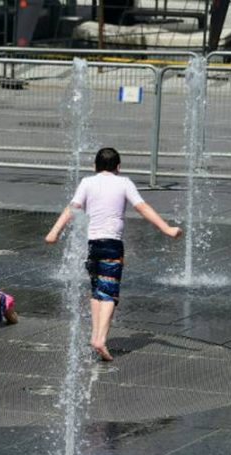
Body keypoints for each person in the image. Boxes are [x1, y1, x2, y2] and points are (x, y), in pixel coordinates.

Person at [45, 147, 182, 361]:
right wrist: (167, 229)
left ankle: (95, 336)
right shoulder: (124, 182)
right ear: (118, 167)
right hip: (112, 244)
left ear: (94, 167)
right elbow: (142, 207)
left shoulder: (87, 182)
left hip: (92, 245)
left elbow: (72, 208)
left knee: (97, 290)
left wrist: (54, 232)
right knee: (110, 292)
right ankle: (99, 339)